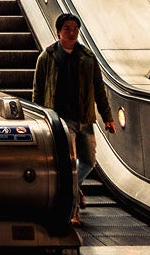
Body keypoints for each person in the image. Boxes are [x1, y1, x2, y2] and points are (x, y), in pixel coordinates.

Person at [33, 13, 105, 201]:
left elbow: (99, 88)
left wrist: (108, 117)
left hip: (85, 119)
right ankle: (73, 210)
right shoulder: (47, 57)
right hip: (62, 120)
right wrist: (39, 117)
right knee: (70, 163)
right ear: (58, 32)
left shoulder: (88, 57)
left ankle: (74, 187)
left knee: (89, 162)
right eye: (67, 29)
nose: (72, 33)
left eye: (75, 29)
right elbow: (38, 90)